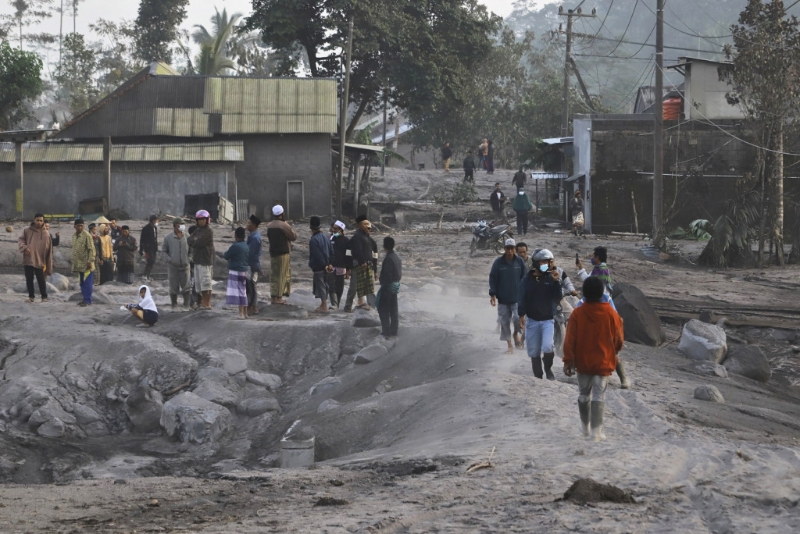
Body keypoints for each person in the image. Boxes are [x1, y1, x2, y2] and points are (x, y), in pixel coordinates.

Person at [563, 276, 624, 441]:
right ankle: (596, 432)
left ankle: (585, 429)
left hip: (583, 362)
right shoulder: (611, 313)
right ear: (601, 293)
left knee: (583, 395)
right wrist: (614, 350)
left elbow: (569, 340)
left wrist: (568, 360)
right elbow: (619, 338)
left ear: (584, 293)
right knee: (599, 396)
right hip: (603, 362)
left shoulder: (577, 313)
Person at [575, 247, 628, 388]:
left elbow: (595, 286)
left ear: (597, 257)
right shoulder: (598, 269)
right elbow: (590, 281)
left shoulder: (602, 272)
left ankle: (622, 378)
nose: (591, 257)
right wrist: (581, 268)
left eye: (593, 255)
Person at [518, 249, 563, 379]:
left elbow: (557, 297)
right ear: (536, 263)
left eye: (548, 262)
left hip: (548, 319)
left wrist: (556, 282)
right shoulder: (526, 280)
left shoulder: (551, 278)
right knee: (534, 351)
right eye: (543, 262)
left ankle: (548, 369)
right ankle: (538, 376)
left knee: (548, 346)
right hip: (532, 320)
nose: (546, 265)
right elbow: (522, 298)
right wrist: (521, 315)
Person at [489, 238, 527, 354]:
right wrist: (492, 294)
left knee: (517, 318)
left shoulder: (519, 262)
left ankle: (515, 334)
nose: (510, 251)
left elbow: (524, 278)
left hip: (517, 298)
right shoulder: (498, 263)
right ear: (504, 249)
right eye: (508, 248)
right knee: (504, 322)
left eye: (512, 248)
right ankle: (509, 345)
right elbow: (493, 278)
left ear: (514, 249)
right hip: (503, 298)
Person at [18, 213, 53, 303]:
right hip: (28, 259)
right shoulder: (26, 231)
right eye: (37, 220)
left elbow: (49, 251)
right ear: (34, 220)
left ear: (43, 221)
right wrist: (24, 248)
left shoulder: (46, 234)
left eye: (41, 221)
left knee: (41, 280)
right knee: (29, 279)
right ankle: (31, 297)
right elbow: (21, 240)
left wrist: (48, 265)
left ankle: (44, 297)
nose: (39, 222)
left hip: (40, 260)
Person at [266, 205, 297, 305]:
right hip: (283, 253)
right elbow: (293, 237)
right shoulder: (283, 225)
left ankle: (273, 297)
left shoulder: (269, 225)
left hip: (273, 253)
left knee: (274, 275)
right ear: (282, 213)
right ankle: (279, 298)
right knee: (281, 275)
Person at [348, 216, 378, 311]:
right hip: (359, 265)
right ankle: (349, 305)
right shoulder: (356, 237)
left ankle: (371, 306)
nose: (367, 227)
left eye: (368, 226)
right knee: (356, 286)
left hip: (368, 265)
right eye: (365, 225)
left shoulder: (370, 240)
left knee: (369, 287)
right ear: (359, 226)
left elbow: (375, 255)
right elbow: (356, 251)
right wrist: (350, 266)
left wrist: (375, 270)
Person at [187, 210, 215, 310]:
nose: (201, 221)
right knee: (199, 285)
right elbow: (189, 240)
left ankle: (206, 303)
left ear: (207, 220)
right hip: (197, 260)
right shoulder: (198, 230)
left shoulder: (209, 231)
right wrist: (194, 240)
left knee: (206, 283)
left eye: (203, 219)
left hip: (205, 261)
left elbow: (199, 242)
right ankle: (201, 302)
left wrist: (195, 240)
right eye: (199, 220)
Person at [162, 217, 191, 309]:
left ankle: (186, 305)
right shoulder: (168, 238)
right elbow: (164, 251)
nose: (182, 226)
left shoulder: (188, 237)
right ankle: (174, 305)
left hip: (185, 266)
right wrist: (169, 259)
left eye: (183, 224)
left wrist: (189, 259)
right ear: (175, 226)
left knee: (186, 287)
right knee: (173, 287)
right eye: (180, 224)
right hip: (173, 267)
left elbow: (192, 250)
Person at [308, 216, 334, 313]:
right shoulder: (326, 237)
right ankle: (323, 304)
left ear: (311, 227)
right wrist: (330, 263)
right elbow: (332, 251)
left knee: (321, 285)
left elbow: (317, 255)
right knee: (325, 284)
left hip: (319, 266)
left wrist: (324, 265)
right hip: (328, 265)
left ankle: (324, 305)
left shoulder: (313, 240)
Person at [378, 236, 402, 338]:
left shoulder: (388, 258)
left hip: (388, 286)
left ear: (384, 246)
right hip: (395, 286)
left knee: (383, 309)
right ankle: (394, 330)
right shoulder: (396, 257)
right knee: (393, 310)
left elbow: (387, 274)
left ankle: (386, 331)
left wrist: (383, 283)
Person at [223, 227, 250, 319]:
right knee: (243, 291)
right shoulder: (246, 245)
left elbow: (226, 256)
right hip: (244, 270)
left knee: (238, 292)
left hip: (235, 271)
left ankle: (241, 314)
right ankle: (245, 313)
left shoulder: (235, 246)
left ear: (236, 236)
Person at [71, 219, 96, 307]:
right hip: (79, 265)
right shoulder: (74, 236)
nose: (80, 227)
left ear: (84, 226)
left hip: (87, 265)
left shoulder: (87, 236)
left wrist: (90, 261)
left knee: (87, 283)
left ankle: (87, 300)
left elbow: (91, 249)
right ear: (75, 226)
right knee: (82, 283)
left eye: (81, 226)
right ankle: (84, 299)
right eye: (78, 226)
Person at [329, 221, 349, 310]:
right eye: (333, 228)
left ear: (341, 230)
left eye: (336, 229)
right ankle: (334, 304)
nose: (333, 230)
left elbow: (348, 256)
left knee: (339, 287)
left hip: (341, 266)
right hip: (331, 266)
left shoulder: (346, 241)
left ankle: (338, 303)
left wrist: (348, 269)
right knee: (331, 286)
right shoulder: (330, 239)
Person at [246, 215, 263, 315]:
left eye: (249, 223)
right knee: (249, 286)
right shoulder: (252, 236)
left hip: (252, 265)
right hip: (250, 264)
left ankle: (253, 306)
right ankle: (250, 305)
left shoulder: (255, 238)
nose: (247, 225)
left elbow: (250, 252)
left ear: (254, 225)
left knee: (252, 286)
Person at [139, 215, 159, 280]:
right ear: (153, 220)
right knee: (150, 260)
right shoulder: (146, 228)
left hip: (154, 247)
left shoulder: (155, 228)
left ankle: (148, 275)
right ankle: (145, 275)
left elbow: (155, 238)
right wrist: (141, 249)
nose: (157, 222)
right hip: (148, 248)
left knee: (153, 261)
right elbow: (142, 239)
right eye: (156, 220)